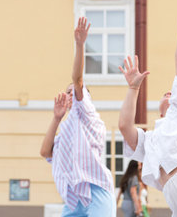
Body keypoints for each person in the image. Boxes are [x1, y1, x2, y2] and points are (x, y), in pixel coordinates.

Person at [119, 0, 177, 216]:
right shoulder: (149, 140)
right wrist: (133, 88)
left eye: (172, 92)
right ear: (158, 112)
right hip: (174, 197)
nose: (170, 93)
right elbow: (125, 127)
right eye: (165, 93)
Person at [40, 17, 115, 217]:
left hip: (96, 189)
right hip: (74, 197)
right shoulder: (67, 128)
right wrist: (56, 119)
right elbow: (46, 152)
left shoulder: (88, 114)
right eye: (67, 92)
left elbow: (78, 80)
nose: (70, 94)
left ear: (85, 98)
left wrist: (80, 45)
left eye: (75, 92)